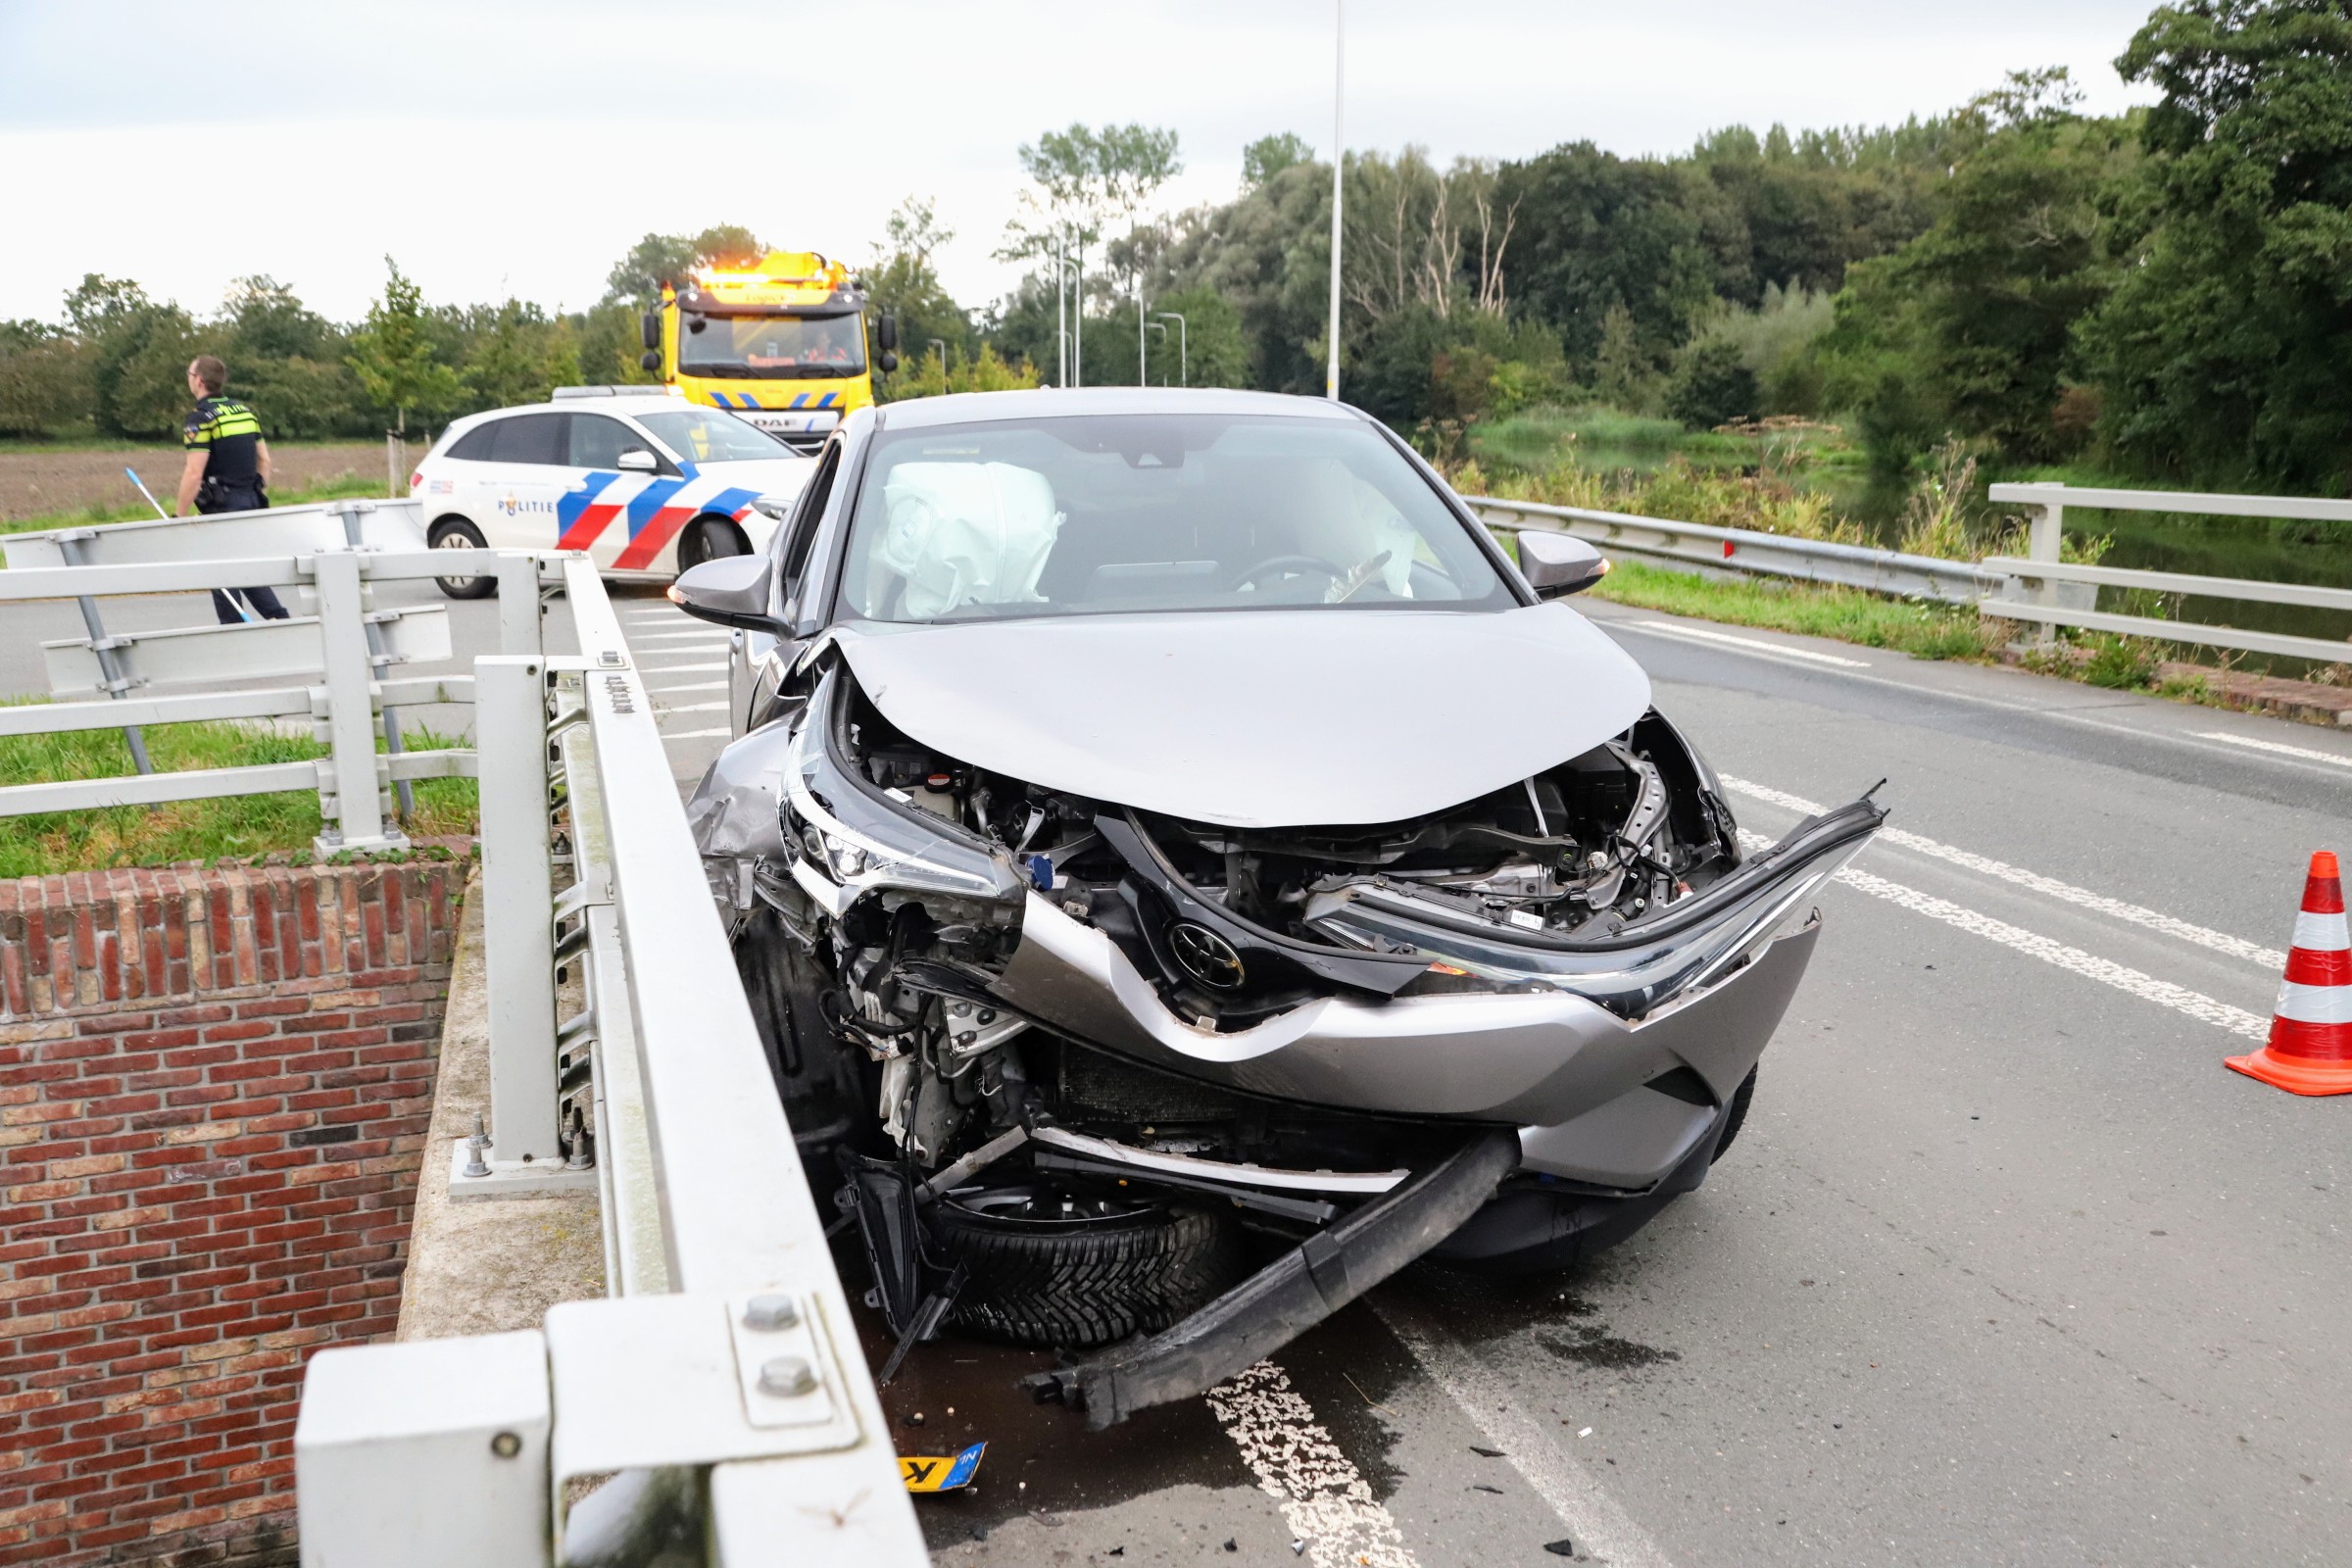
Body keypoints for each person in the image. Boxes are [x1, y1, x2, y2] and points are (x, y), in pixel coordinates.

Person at [174, 356, 289, 623]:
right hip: (251, 501)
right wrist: (256, 490)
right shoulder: (245, 412)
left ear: (199, 380)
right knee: (247, 567)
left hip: (222, 506)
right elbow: (265, 460)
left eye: (189, 373)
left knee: (223, 575)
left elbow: (194, 473)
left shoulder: (200, 418)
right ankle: (280, 620)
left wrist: (179, 516)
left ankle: (234, 634)